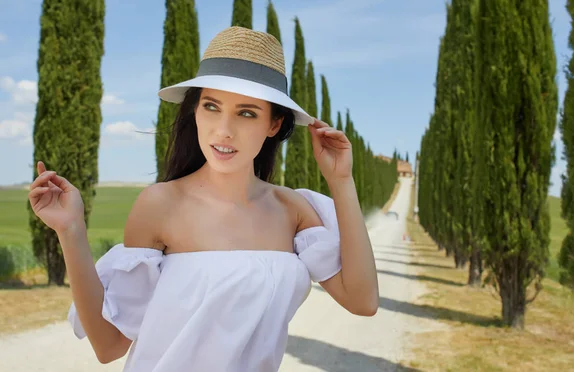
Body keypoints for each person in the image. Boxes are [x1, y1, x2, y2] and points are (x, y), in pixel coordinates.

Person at [28, 26, 379, 371]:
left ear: (274, 124)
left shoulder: (294, 211)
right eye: (211, 106)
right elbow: (108, 346)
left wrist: (342, 181)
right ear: (195, 111)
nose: (223, 129)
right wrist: (70, 230)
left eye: (246, 113)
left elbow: (362, 301)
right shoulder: (160, 205)